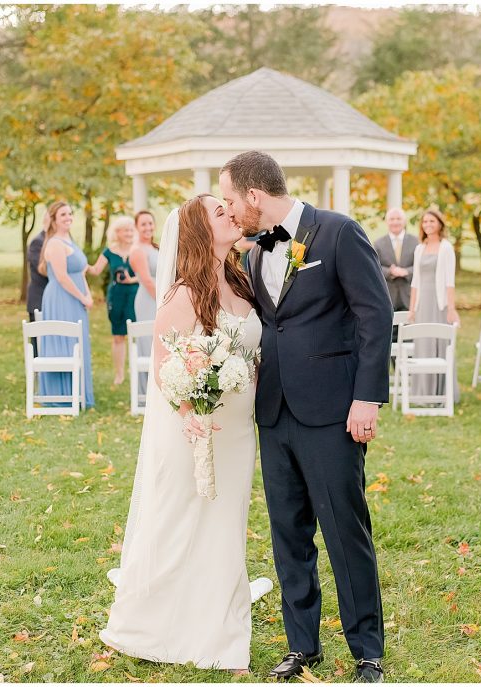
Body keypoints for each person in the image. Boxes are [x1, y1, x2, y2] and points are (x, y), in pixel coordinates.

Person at [221, 151, 391, 683]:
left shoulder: (338, 233)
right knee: (287, 534)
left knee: (345, 531)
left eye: (230, 200)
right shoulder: (250, 255)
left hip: (333, 412)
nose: (229, 211)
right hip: (273, 412)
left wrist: (367, 398)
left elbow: (374, 314)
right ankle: (303, 646)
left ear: (255, 196)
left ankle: (368, 651)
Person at [100, 195, 262, 672]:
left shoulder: (242, 280)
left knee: (226, 521)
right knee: (181, 518)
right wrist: (192, 411)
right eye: (219, 212)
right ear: (198, 231)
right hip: (195, 425)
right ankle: (153, 623)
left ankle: (220, 623)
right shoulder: (184, 293)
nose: (231, 214)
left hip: (237, 428)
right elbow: (165, 367)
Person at [38, 201, 95, 409]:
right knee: (62, 343)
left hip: (76, 298)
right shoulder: (54, 243)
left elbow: (80, 272)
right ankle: (60, 395)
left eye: (70, 213)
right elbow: (62, 277)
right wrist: (82, 297)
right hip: (61, 298)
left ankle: (78, 394)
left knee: (77, 342)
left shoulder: (69, 240)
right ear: (54, 219)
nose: (68, 217)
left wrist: (88, 295)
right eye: (63, 214)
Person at [406, 209, 460, 402]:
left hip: (439, 303)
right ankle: (423, 392)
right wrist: (412, 309)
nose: (428, 224)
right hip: (422, 304)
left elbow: (449, 281)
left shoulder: (446, 247)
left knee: (439, 343)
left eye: (432, 221)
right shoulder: (420, 248)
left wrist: (451, 308)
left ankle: (441, 393)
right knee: (423, 343)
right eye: (425, 221)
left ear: (439, 224)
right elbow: (415, 282)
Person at [87, 216, 139, 385]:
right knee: (118, 336)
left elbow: (149, 274)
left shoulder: (138, 249)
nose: (130, 233)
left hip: (135, 295)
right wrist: (79, 265)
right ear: (117, 232)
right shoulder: (109, 251)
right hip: (116, 297)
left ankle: (140, 371)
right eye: (126, 230)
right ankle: (119, 374)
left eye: (132, 230)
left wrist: (132, 279)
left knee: (139, 334)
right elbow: (95, 270)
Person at [128, 209, 159, 392]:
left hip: (159, 295)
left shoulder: (155, 247)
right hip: (149, 299)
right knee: (148, 340)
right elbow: (147, 280)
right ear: (137, 227)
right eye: (143, 224)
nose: (148, 227)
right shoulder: (137, 250)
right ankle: (147, 390)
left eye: (150, 223)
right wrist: (163, 301)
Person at [372, 207, 417, 313]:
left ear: (404, 221)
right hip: (387, 296)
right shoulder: (378, 243)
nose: (395, 222)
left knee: (409, 328)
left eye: (398, 219)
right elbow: (374, 266)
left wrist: (406, 271)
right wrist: (390, 271)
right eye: (392, 219)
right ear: (387, 222)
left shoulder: (415, 241)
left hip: (410, 295)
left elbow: (421, 266)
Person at [26, 226, 48, 358]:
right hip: (39, 298)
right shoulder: (37, 242)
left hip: (56, 299)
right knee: (38, 344)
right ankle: (39, 374)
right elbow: (42, 270)